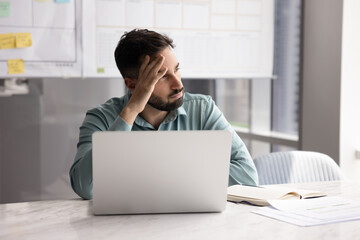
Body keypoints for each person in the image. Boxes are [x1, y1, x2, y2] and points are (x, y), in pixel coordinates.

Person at [70, 29, 258, 200]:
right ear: (132, 84)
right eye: (162, 76)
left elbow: (247, 175)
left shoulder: (203, 109)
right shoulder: (101, 118)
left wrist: (161, 177)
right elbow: (85, 187)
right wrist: (132, 109)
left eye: (177, 69)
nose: (178, 85)